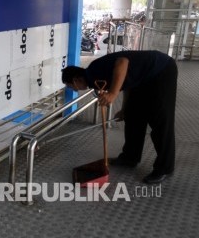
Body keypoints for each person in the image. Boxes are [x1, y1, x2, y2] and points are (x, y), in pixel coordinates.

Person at [61, 50, 178, 184]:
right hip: (142, 78)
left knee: (160, 120)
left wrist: (112, 94)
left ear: (76, 79)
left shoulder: (94, 71)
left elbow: (123, 62)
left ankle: (165, 167)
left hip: (161, 70)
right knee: (133, 115)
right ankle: (130, 157)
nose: (74, 89)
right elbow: (127, 83)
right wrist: (124, 109)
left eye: (70, 86)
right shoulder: (93, 79)